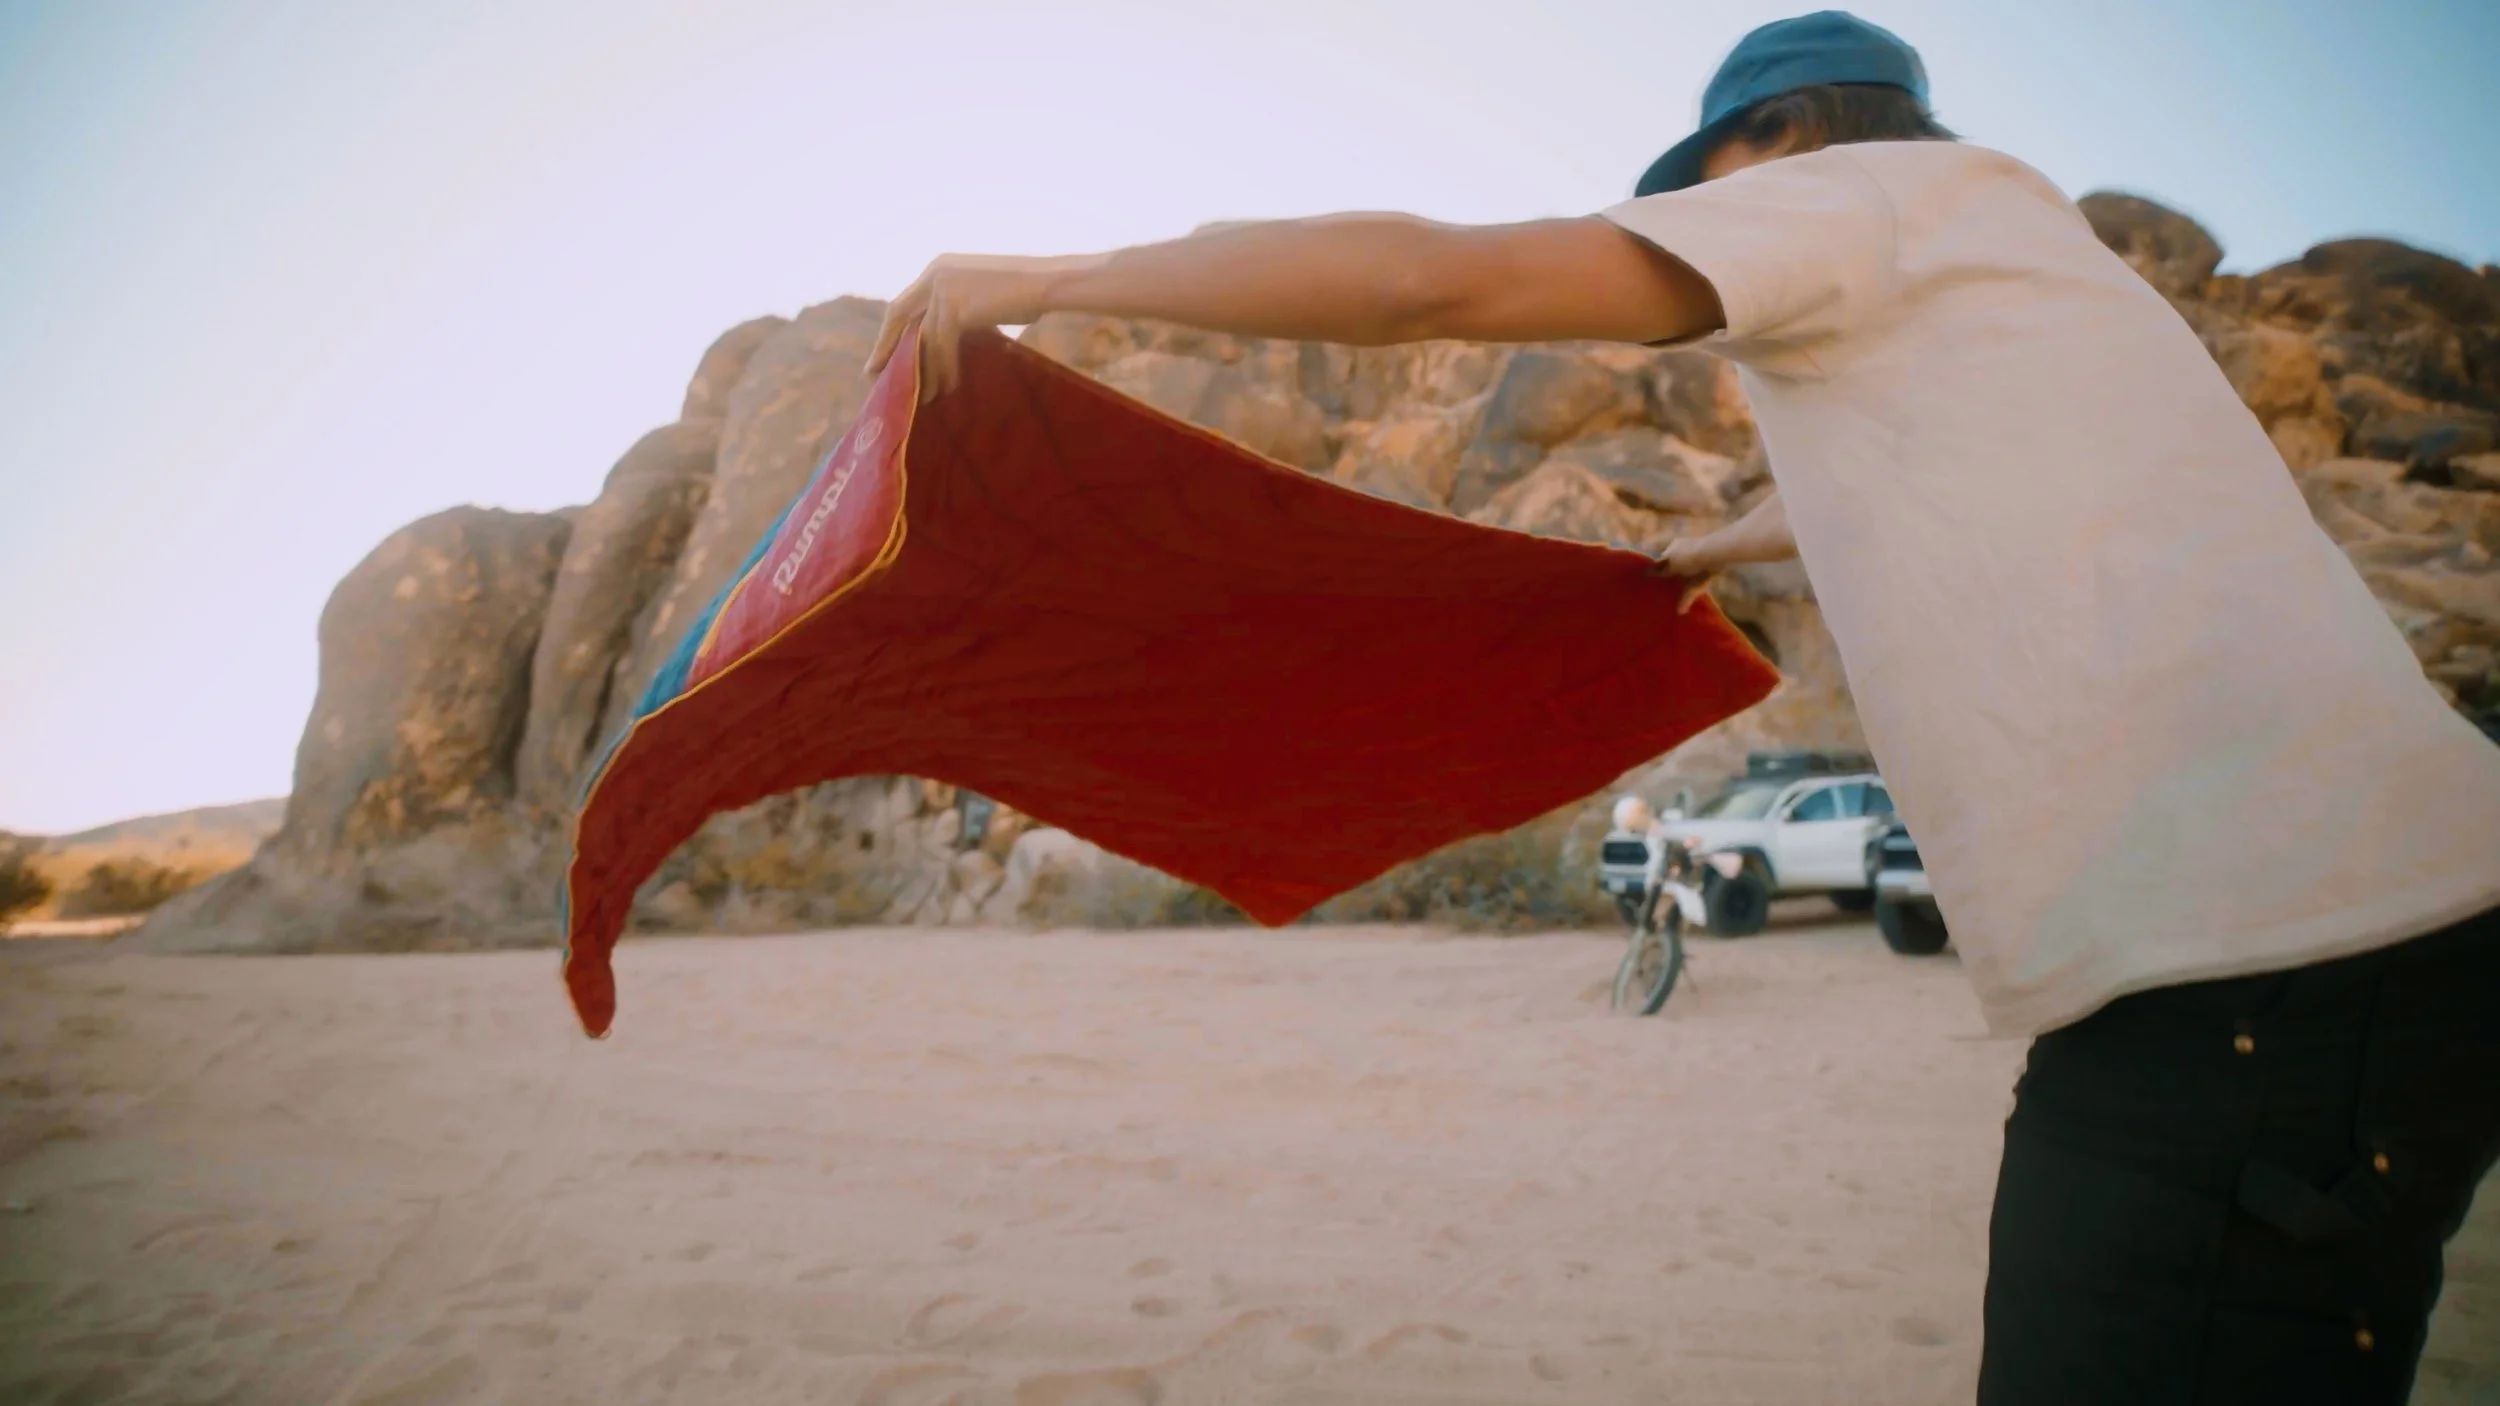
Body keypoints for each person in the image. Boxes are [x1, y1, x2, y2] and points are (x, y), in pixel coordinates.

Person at [866, 11, 2500, 1401]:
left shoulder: (1864, 198)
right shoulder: (2021, 258)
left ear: (1780, 136)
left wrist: (1059, 277)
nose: (1706, 216)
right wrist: (1704, 550)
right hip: (2355, 956)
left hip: (2261, 968)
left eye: (1706, 180)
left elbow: (1428, 285)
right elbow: (1883, 488)